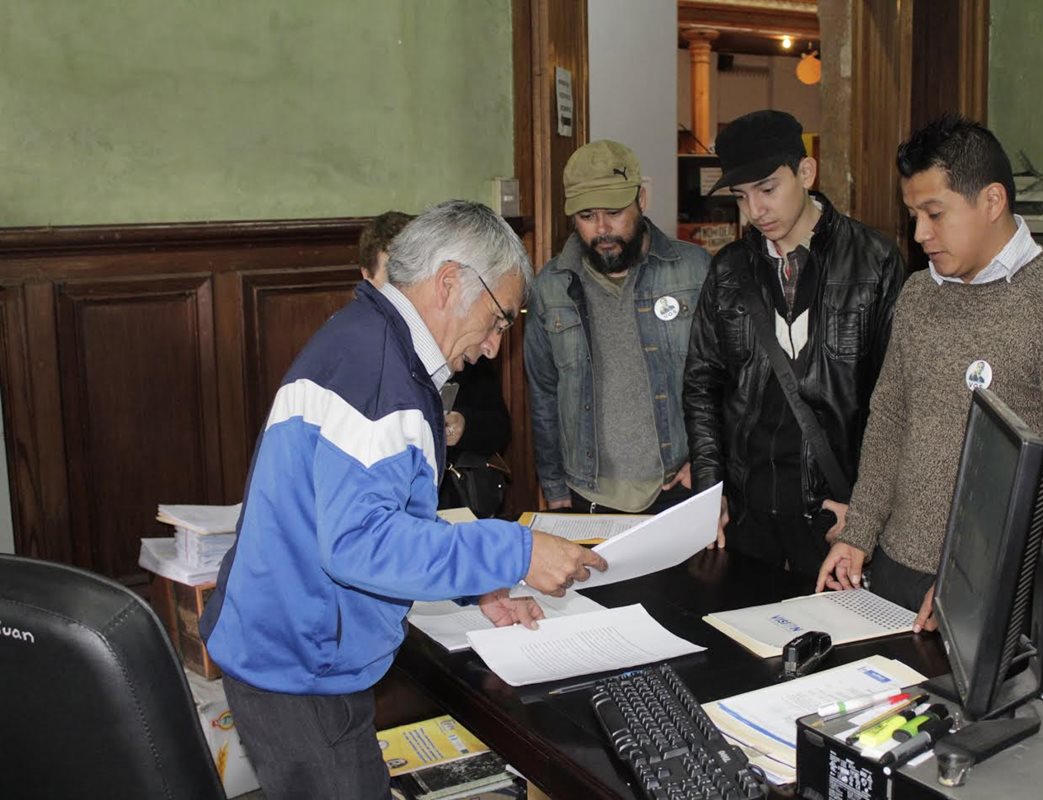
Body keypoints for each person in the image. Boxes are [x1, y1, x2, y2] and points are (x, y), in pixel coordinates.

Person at [200, 200, 606, 800]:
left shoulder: (369, 341)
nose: (496, 346)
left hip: (295, 642)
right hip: (301, 663)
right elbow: (361, 545)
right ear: (448, 283)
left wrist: (481, 586)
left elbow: (377, 521)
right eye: (499, 320)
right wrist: (515, 550)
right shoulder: (380, 377)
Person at [814, 115, 1043, 645]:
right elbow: (889, 420)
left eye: (934, 214)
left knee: (986, 727)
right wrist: (859, 532)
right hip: (897, 569)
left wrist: (976, 574)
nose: (919, 233)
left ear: (992, 201)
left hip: (1005, 586)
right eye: (913, 215)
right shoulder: (918, 295)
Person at [684, 110, 905, 584]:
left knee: (838, 646)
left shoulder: (874, 260)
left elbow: (894, 402)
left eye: (767, 189)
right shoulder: (728, 270)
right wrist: (710, 490)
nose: (755, 211)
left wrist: (865, 514)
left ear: (806, 173)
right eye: (741, 197)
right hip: (747, 509)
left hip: (834, 510)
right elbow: (702, 384)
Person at [525, 140, 711, 514]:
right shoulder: (550, 286)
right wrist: (554, 484)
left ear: (641, 199)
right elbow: (543, 391)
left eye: (614, 212)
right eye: (586, 216)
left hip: (679, 487)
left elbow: (730, 380)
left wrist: (710, 463)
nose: (602, 229)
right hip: (588, 493)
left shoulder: (696, 271)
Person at [357, 210, 512, 512]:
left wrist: (461, 426)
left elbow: (499, 427)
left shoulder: (462, 339)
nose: (405, 290)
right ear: (367, 276)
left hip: (455, 501)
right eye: (393, 276)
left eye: (413, 275)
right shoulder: (360, 349)